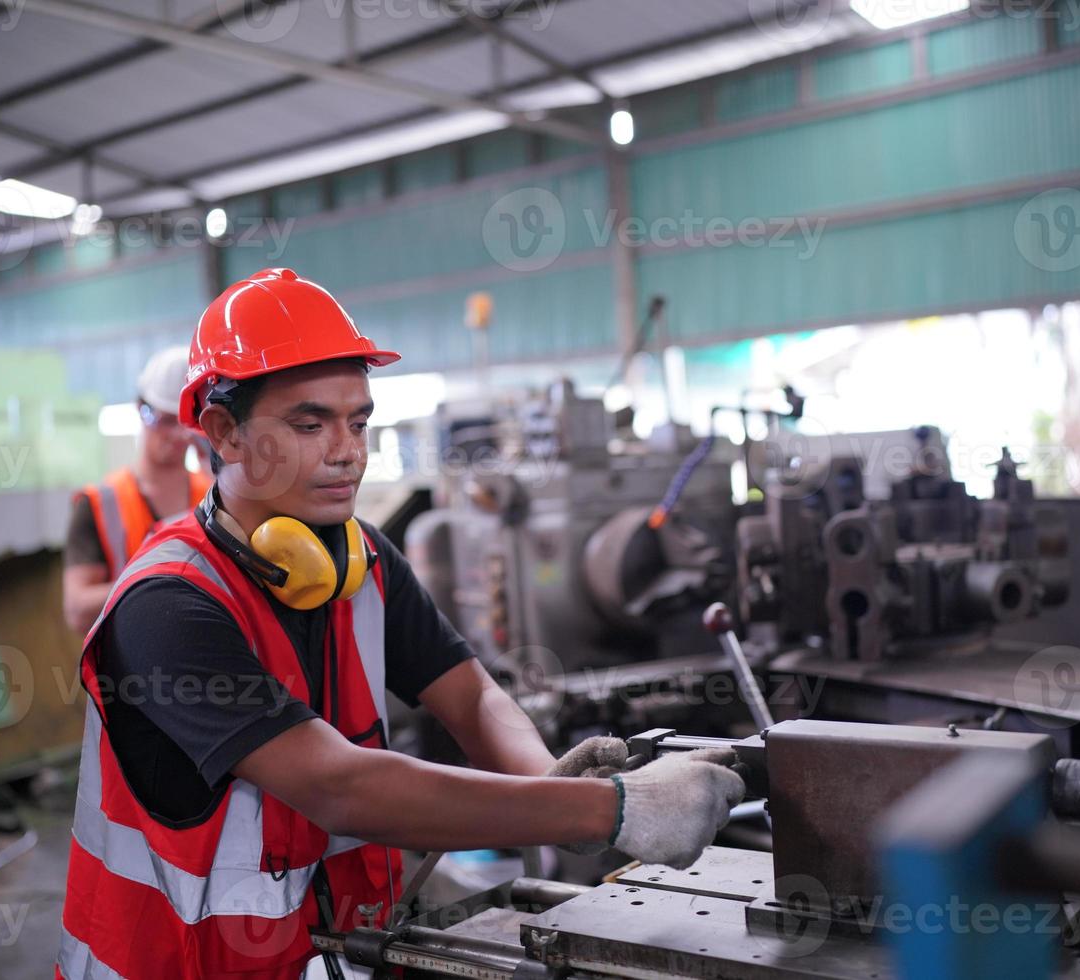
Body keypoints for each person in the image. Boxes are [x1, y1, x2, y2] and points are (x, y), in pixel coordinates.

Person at [56, 268, 743, 980]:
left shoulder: (362, 560)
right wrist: (609, 809)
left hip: (330, 958)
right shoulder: (166, 607)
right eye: (310, 423)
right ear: (224, 433)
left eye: (358, 422)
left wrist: (548, 780)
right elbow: (340, 787)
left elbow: (472, 696)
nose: (348, 449)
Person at [62, 346, 212, 633]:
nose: (177, 436)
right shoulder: (100, 502)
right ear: (139, 411)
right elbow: (77, 610)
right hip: (132, 659)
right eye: (164, 420)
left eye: (185, 423)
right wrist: (160, 577)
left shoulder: (214, 493)